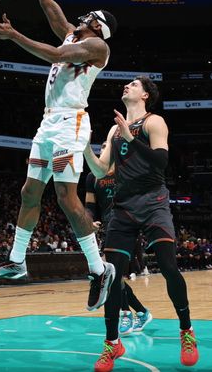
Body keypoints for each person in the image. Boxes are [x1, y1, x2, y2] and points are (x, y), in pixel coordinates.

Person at [0, 0, 119, 312]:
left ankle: (99, 268)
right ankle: (17, 261)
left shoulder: (97, 48)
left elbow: (56, 55)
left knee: (65, 197)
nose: (83, 16)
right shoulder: (74, 34)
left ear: (98, 26)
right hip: (48, 123)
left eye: (90, 16)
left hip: (71, 125)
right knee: (29, 191)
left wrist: (14, 36)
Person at [84, 76, 197, 371]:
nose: (127, 86)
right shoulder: (114, 129)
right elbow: (100, 168)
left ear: (145, 95)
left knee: (169, 268)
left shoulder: (154, 122)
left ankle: (186, 331)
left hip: (154, 203)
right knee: (112, 277)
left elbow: (161, 161)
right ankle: (112, 343)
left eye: (134, 84)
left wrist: (131, 137)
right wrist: (84, 147)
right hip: (123, 209)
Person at [85, 143, 152, 337]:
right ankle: (140, 311)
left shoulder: (128, 173)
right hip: (109, 229)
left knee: (112, 274)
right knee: (112, 275)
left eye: (110, 146)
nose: (106, 148)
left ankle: (126, 313)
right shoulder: (93, 177)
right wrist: (90, 219)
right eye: (103, 146)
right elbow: (90, 204)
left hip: (128, 227)